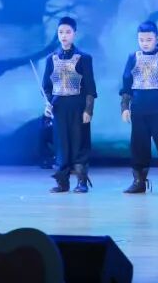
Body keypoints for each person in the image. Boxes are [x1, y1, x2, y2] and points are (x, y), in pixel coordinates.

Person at [120, 21, 158, 194]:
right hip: (138, 110)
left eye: (148, 39)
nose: (145, 43)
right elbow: (127, 85)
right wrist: (125, 107)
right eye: (141, 40)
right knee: (138, 146)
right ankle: (139, 181)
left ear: (156, 38)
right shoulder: (133, 57)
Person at [42, 17, 96, 193]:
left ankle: (81, 182)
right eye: (60, 32)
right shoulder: (51, 59)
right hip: (59, 108)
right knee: (61, 144)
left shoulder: (84, 58)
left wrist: (88, 110)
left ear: (74, 34)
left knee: (80, 143)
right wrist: (48, 103)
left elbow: (90, 88)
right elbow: (46, 87)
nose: (64, 36)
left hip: (78, 107)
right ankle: (62, 182)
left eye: (67, 32)